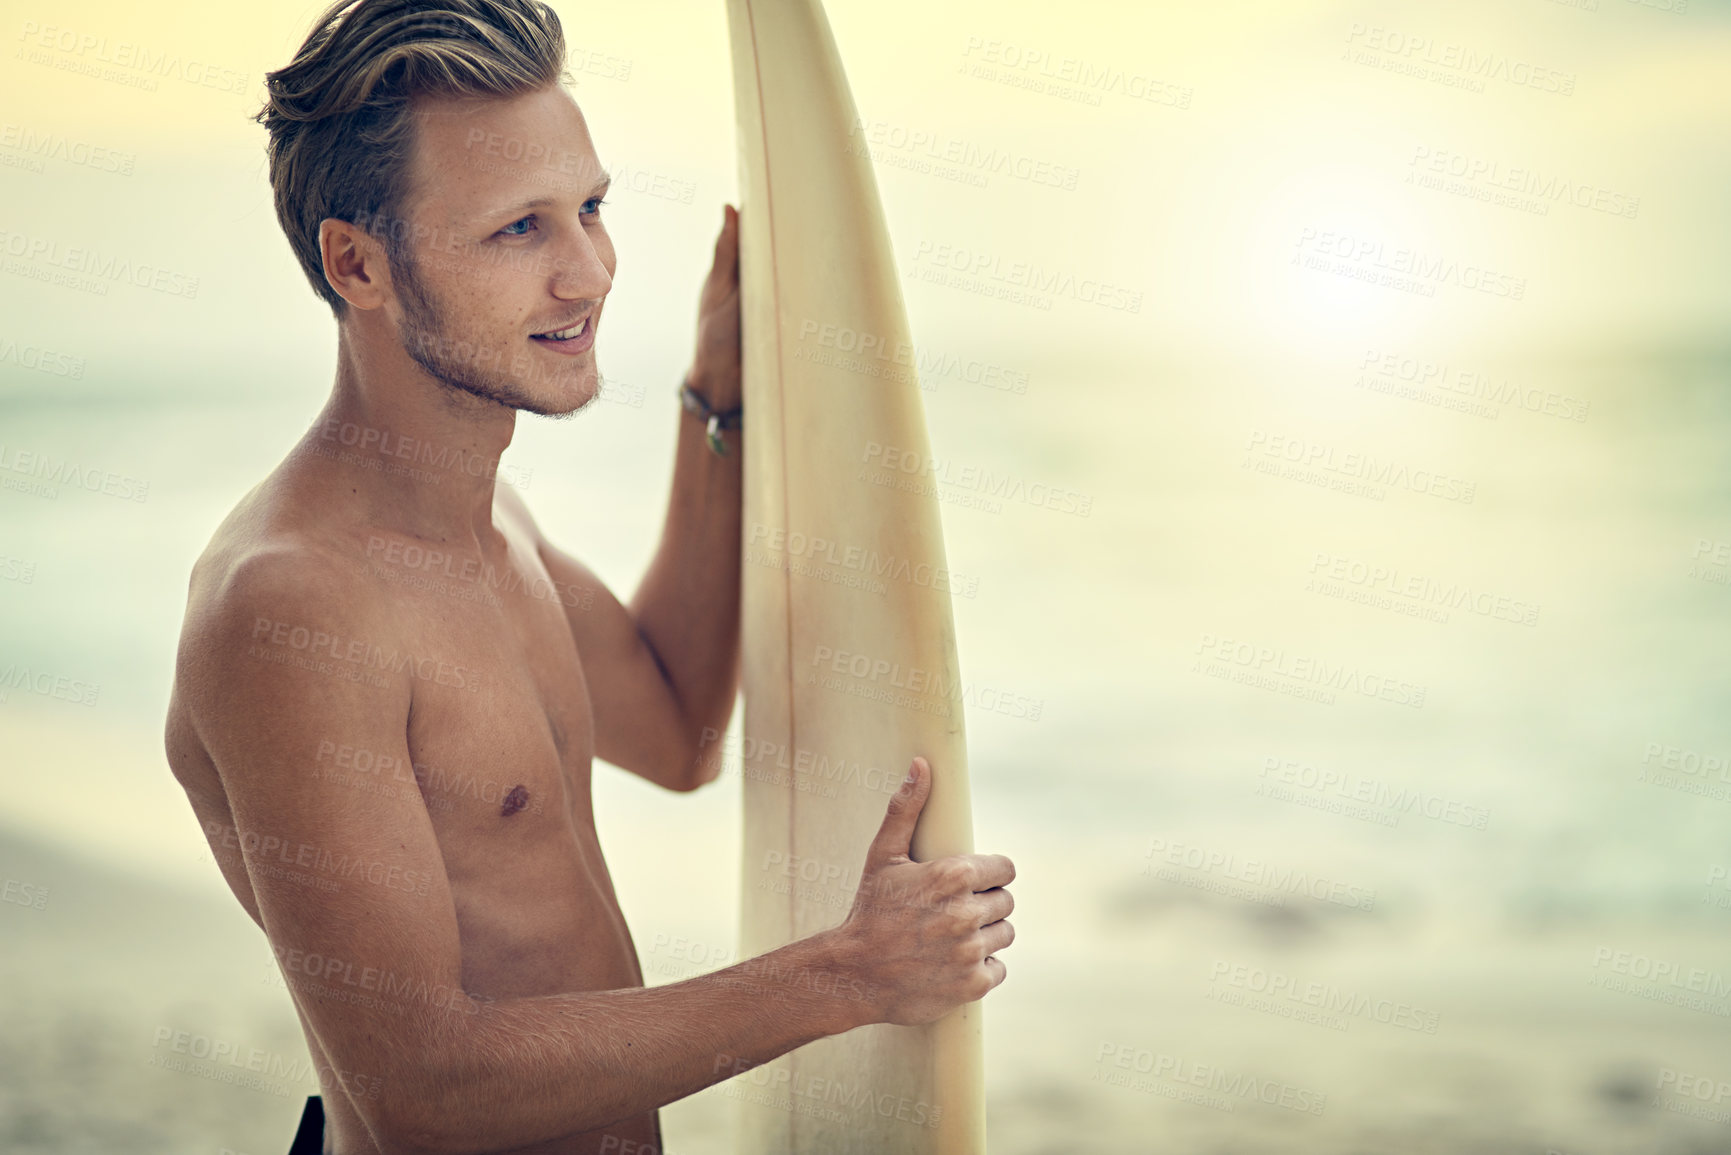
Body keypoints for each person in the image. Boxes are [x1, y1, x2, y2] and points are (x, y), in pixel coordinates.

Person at [162, 2, 1016, 1151]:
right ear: (357, 263)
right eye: (520, 231)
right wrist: (848, 975)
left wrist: (718, 405)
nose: (591, 274)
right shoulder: (291, 608)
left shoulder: (488, 518)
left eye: (591, 210)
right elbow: (422, 1092)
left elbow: (676, 733)